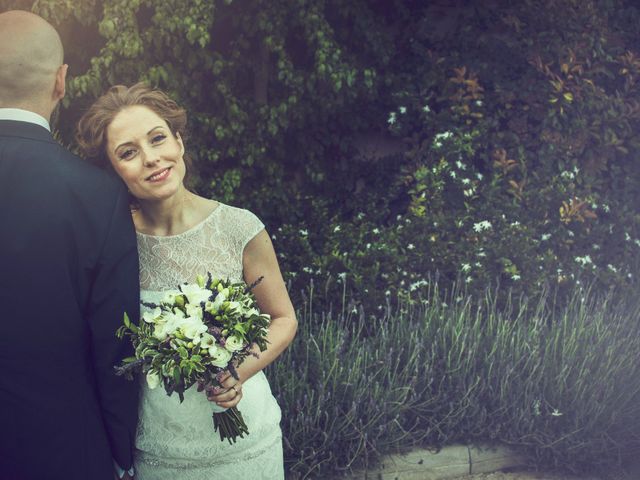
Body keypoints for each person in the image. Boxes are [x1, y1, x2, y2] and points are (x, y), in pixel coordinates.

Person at [76, 83, 298, 479]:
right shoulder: (110, 243)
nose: (151, 158)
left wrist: (237, 372)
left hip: (244, 442)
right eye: (128, 153)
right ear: (113, 170)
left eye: (158, 138)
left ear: (178, 141)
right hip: (159, 446)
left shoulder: (239, 228)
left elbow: (282, 319)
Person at [0, 10, 140, 480]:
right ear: (61, 81)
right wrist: (121, 452)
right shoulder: (97, 195)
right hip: (60, 452)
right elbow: (115, 345)